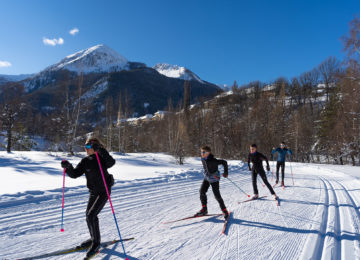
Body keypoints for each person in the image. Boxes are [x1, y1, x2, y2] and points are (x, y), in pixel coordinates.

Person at [61, 137, 115, 258]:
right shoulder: (85, 161)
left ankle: (96, 244)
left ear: (95, 147)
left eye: (89, 146)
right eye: (85, 146)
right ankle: (93, 239)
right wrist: (68, 167)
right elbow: (75, 174)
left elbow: (111, 163)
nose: (86, 148)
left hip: (104, 191)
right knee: (88, 215)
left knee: (92, 215)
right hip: (93, 192)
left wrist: (101, 150)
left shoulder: (102, 158)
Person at [195, 146, 230, 220]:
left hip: (214, 179)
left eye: (203, 152)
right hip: (207, 178)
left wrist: (226, 172)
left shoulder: (213, 160)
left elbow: (224, 162)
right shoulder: (202, 159)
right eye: (201, 152)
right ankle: (204, 210)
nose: (202, 153)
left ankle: (225, 211)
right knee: (202, 191)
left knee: (217, 196)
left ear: (208, 153)